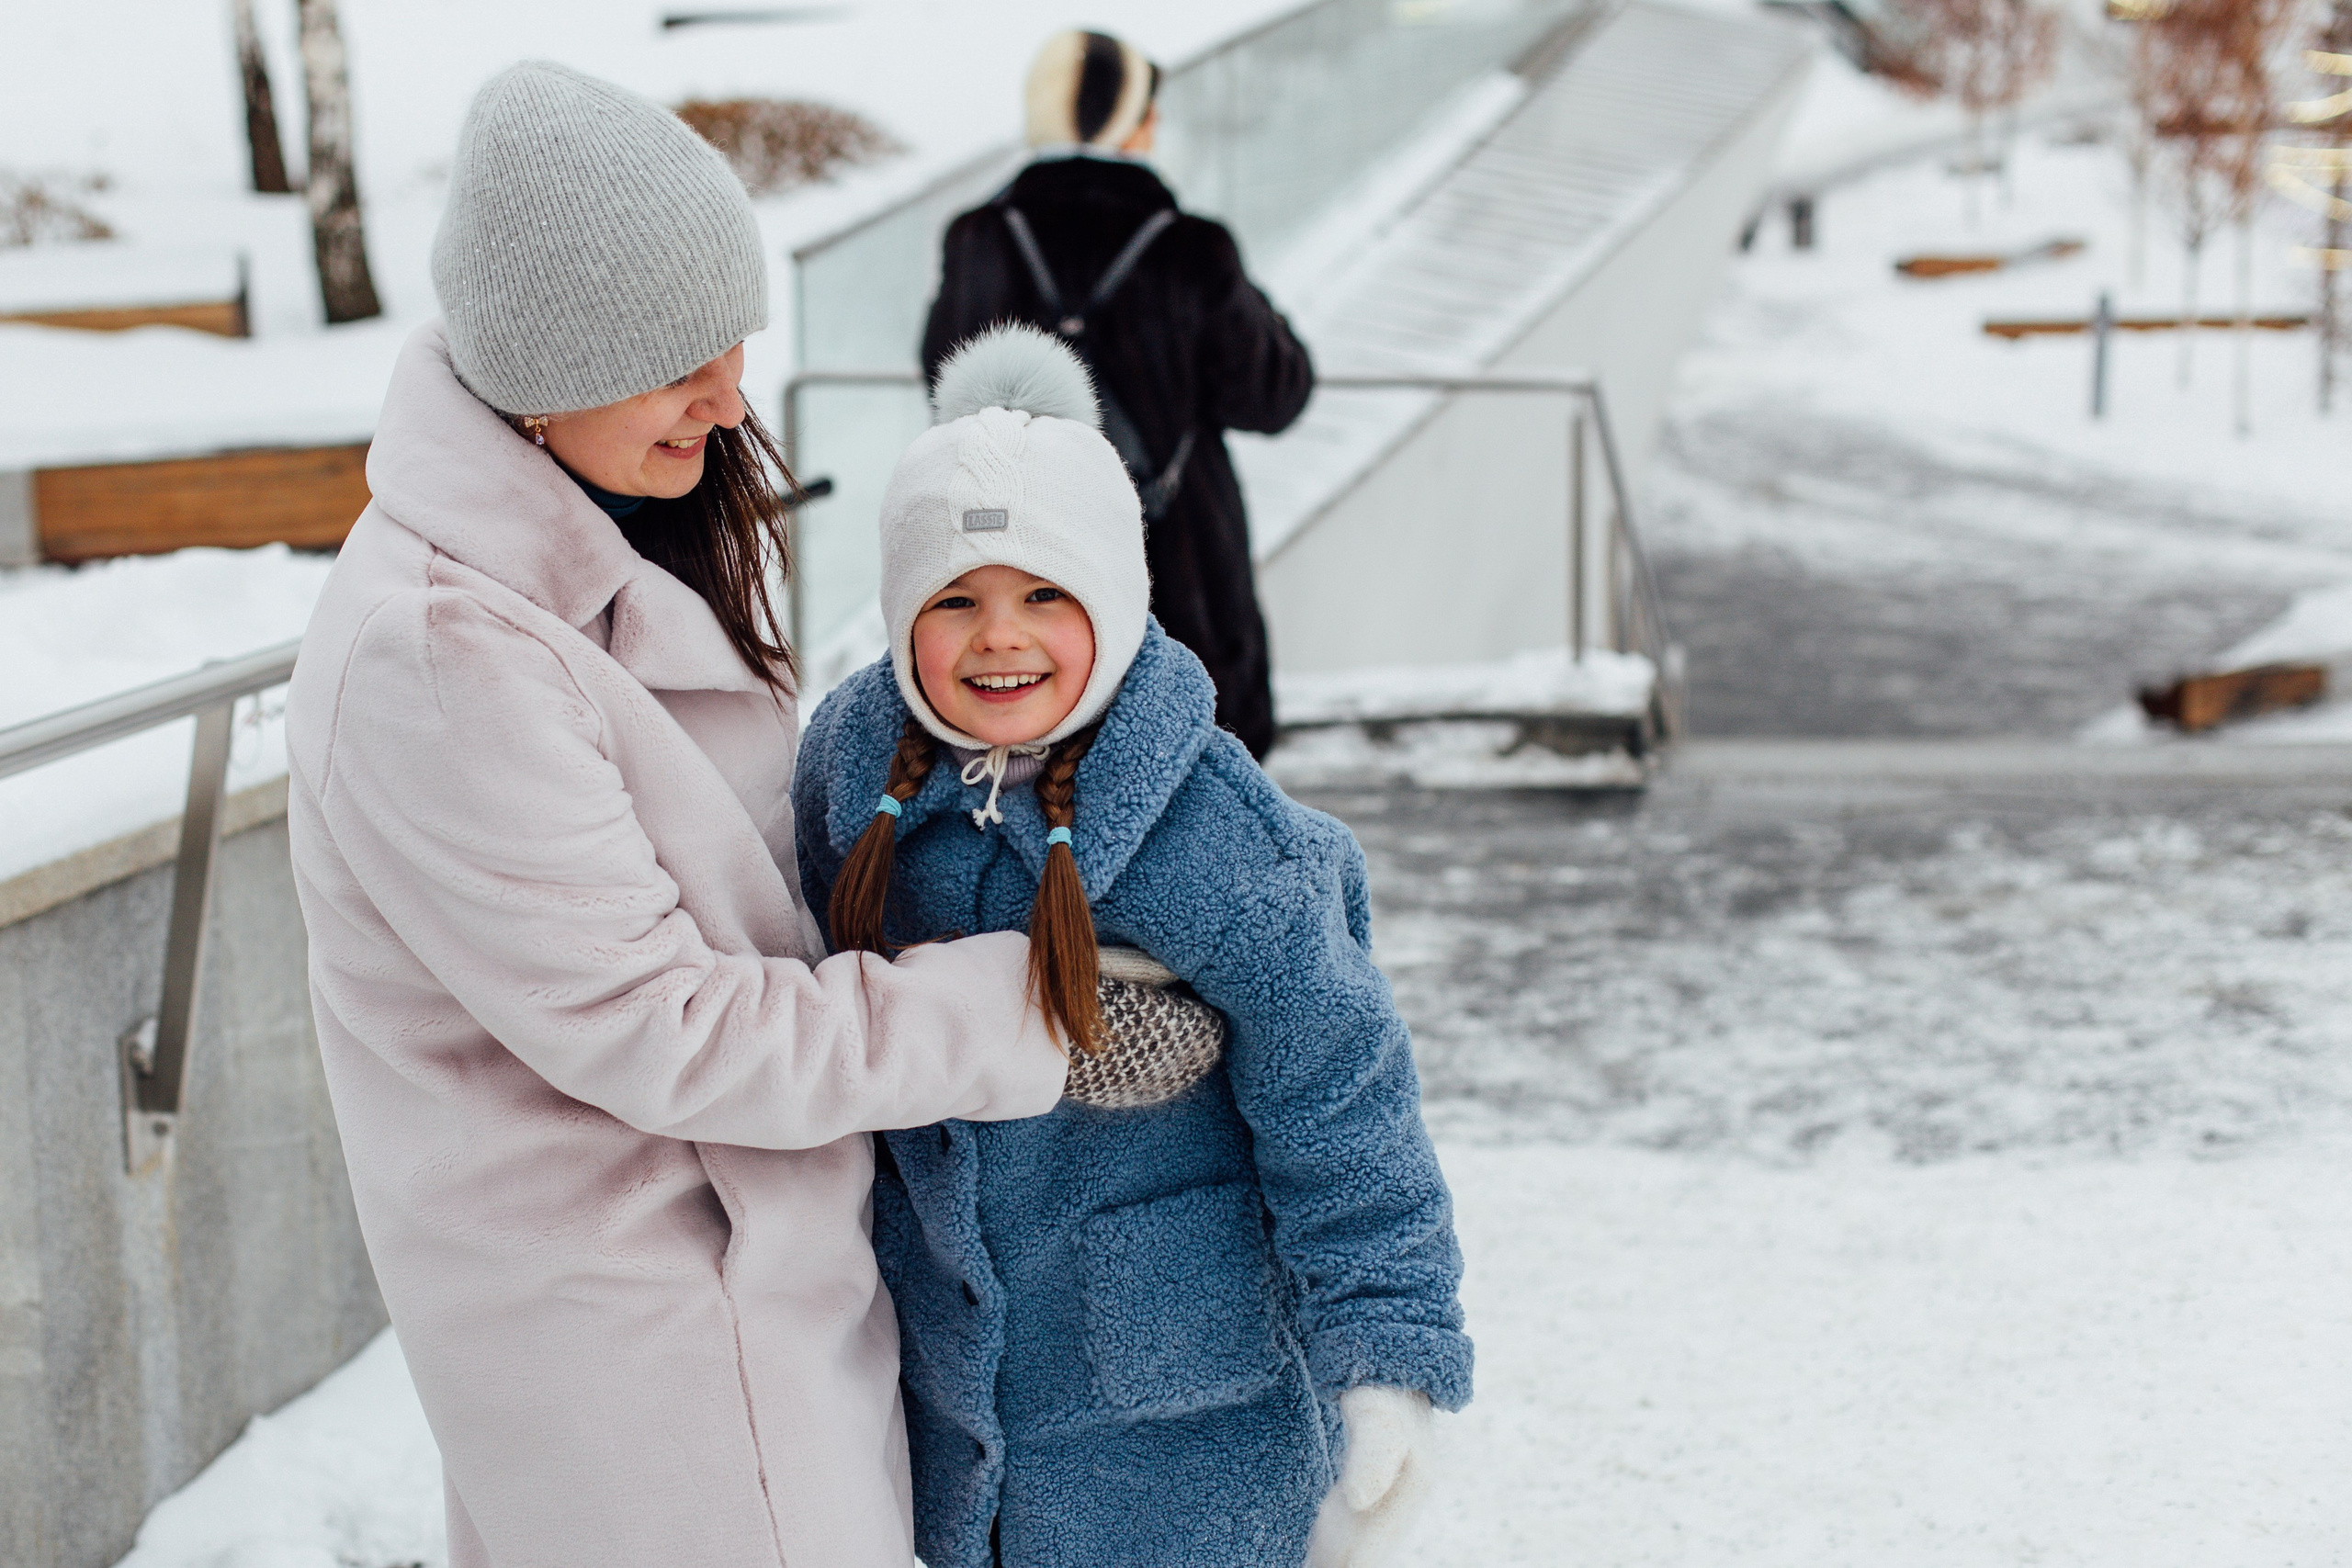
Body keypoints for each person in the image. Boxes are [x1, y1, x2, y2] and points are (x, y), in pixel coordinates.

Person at [284, 63, 1136, 1568]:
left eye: (733, 343)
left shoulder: (608, 525)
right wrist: (1029, 1006)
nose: (731, 396)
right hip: (645, 1332)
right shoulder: (442, 655)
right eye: (681, 359)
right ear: (545, 363)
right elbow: (666, 1022)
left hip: (739, 1266)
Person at [795, 325, 1470, 1568]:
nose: (1003, 638)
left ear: (1112, 593)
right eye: (957, 599)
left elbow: (1343, 1093)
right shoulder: (851, 773)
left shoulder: (1211, 826)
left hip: (1186, 1420)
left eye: (1044, 592)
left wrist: (1388, 1354)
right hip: (944, 1403)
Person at [921, 28, 1314, 760]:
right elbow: (1274, 394)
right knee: (1198, 784)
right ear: (1135, 125)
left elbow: (948, 384)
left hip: (1026, 565)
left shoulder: (982, 237)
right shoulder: (1189, 245)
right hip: (1183, 566)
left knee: (1038, 780)